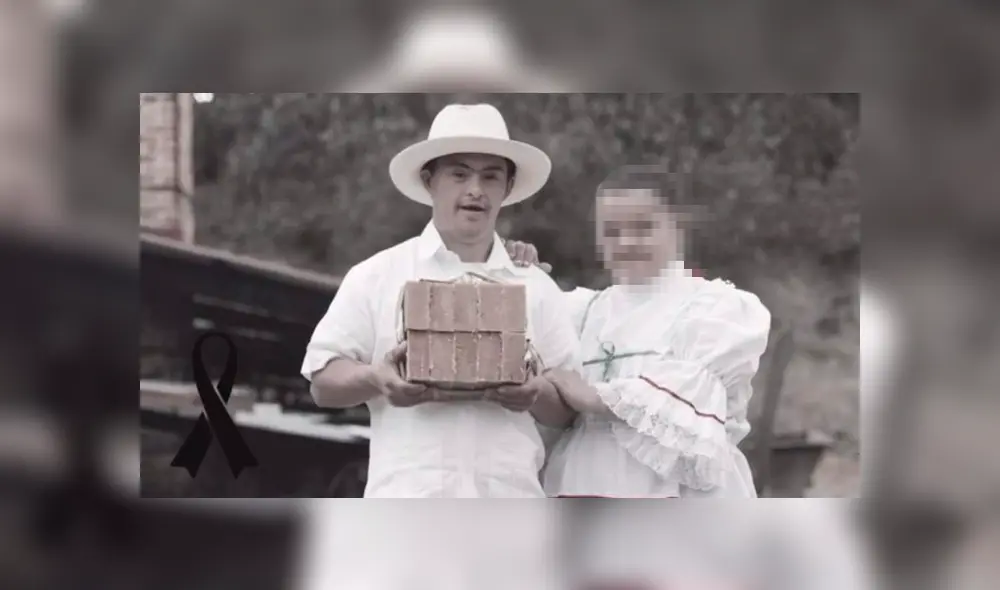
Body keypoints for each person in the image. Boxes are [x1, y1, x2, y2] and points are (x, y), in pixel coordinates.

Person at [301, 103, 578, 498]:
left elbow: (569, 412)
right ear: (430, 180)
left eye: (490, 176)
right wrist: (375, 377)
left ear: (508, 187)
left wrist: (535, 392)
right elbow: (322, 384)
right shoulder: (376, 275)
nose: (476, 190)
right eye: (460, 173)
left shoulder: (537, 286)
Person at [503, 166, 771, 498]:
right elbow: (521, 352)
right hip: (584, 484)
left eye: (643, 228)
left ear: (676, 227)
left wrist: (593, 396)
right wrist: (519, 277)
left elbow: (689, 400)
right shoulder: (582, 311)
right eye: (613, 231)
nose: (627, 241)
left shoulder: (714, 308)